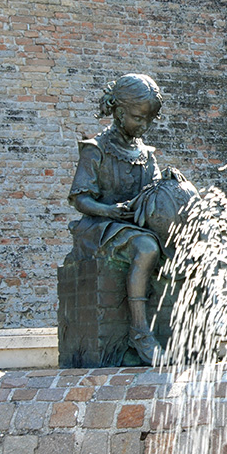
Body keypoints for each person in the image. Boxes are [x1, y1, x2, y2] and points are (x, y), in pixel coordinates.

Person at [68, 73, 165, 364]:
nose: (144, 126)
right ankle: (139, 333)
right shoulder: (95, 150)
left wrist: (169, 186)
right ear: (119, 112)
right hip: (100, 227)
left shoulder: (147, 154)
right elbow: (80, 199)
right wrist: (108, 210)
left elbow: (154, 191)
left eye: (150, 120)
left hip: (133, 224)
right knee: (147, 247)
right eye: (138, 118)